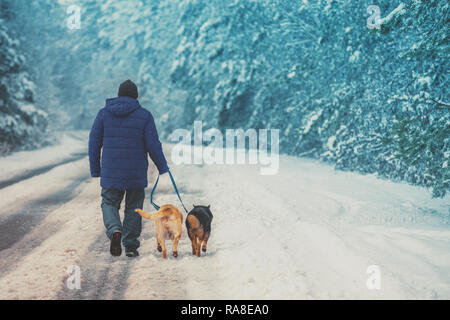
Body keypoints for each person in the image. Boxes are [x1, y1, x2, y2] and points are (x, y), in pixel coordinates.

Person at [88, 80, 169, 257]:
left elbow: (94, 143)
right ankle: (131, 246)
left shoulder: (103, 114)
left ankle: (115, 229)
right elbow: (153, 145)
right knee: (134, 207)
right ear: (136, 96)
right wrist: (162, 167)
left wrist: (96, 169)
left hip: (111, 171)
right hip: (135, 171)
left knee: (109, 203)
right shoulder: (145, 115)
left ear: (118, 95)